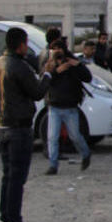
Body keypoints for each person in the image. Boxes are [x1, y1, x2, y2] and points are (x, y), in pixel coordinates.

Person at [0, 27, 49, 222]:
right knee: (17, 177)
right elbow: (37, 92)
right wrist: (47, 73)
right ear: (21, 44)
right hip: (19, 128)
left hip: (3, 127)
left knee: (8, 175)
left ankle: (4, 217)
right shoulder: (19, 67)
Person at [42, 39, 92, 175]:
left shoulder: (72, 62)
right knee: (52, 137)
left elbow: (88, 78)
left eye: (60, 49)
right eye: (55, 49)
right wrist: (57, 71)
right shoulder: (49, 64)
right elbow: (44, 81)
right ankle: (53, 165)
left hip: (70, 106)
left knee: (75, 136)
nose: (57, 52)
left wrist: (78, 66)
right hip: (54, 106)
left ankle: (86, 154)